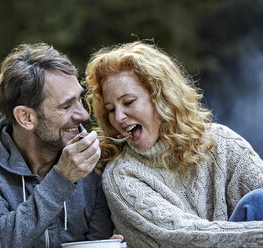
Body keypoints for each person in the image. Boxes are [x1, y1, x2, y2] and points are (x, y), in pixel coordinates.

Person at [84, 41, 263, 247]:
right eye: (111, 109)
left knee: (258, 201)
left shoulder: (221, 141)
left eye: (128, 102)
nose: (118, 117)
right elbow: (180, 236)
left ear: (161, 97)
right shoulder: (122, 175)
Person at [0, 43, 120, 248]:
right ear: (25, 117)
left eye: (79, 99)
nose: (83, 115)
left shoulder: (92, 157)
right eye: (67, 106)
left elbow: (96, 238)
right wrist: (62, 179)